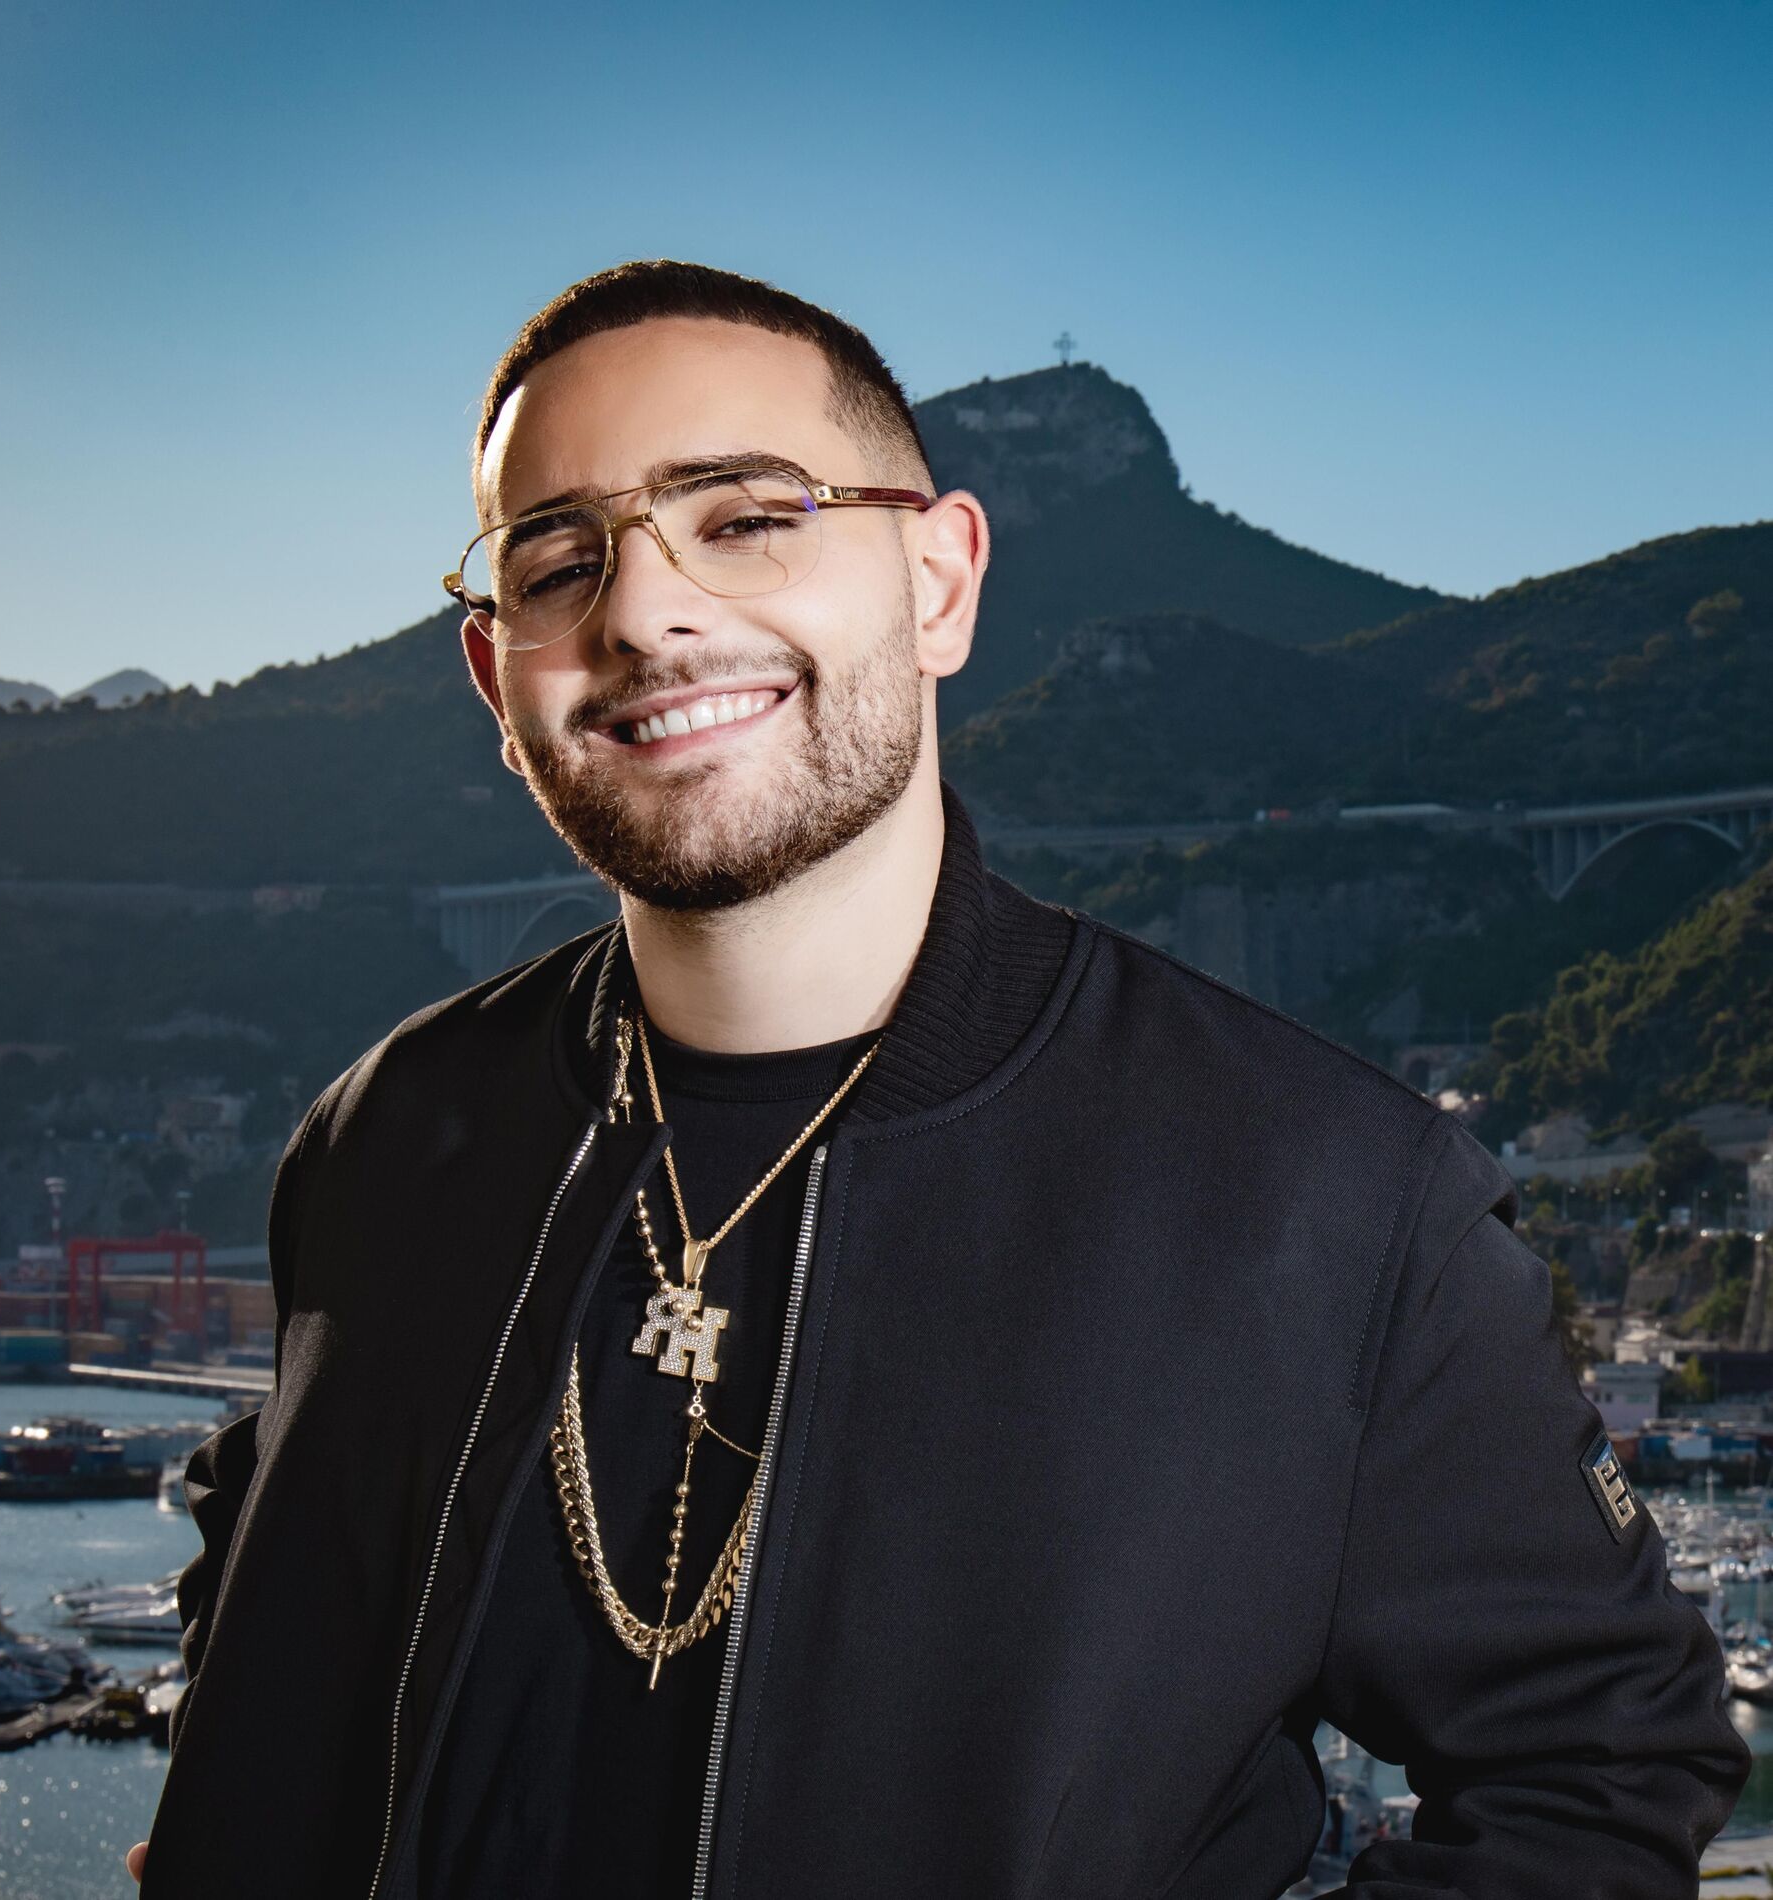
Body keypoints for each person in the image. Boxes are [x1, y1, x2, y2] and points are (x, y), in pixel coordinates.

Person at [130, 259, 1749, 1899]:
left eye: (745, 518)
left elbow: (1600, 1770)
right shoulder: (387, 1130)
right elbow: (266, 1554)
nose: (642, 613)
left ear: (939, 585)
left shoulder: (1334, 1201)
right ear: (499, 680)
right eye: (559, 561)